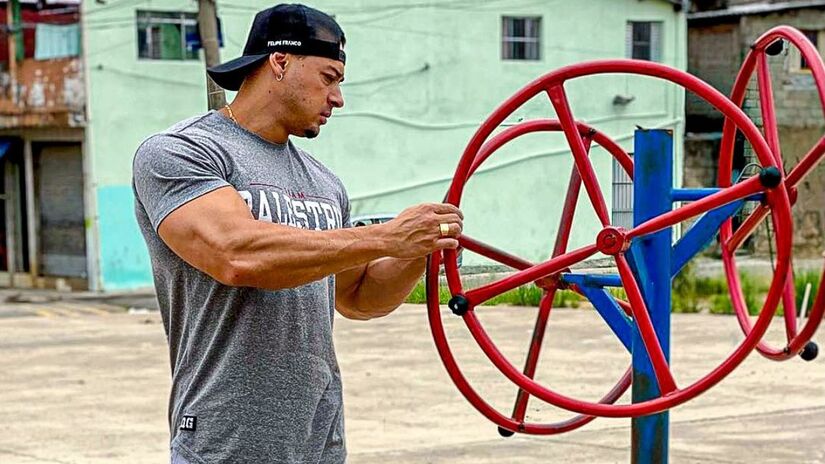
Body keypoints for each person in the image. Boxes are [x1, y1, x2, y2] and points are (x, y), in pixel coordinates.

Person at [131, 4, 463, 463]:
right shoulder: (182, 152)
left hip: (318, 440)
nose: (339, 98)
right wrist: (388, 236)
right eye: (329, 77)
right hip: (224, 439)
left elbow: (358, 297)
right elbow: (237, 255)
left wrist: (416, 249)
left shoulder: (324, 183)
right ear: (280, 62)